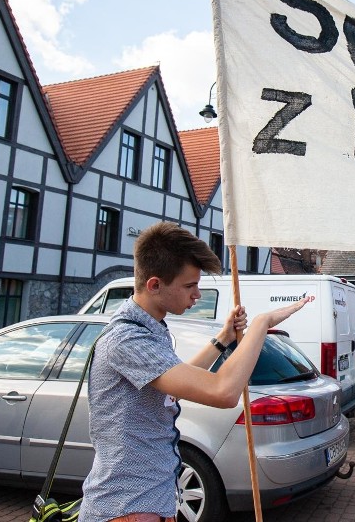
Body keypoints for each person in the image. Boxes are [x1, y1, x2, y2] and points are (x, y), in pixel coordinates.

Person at [79, 222, 314, 522]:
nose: (197, 295)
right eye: (190, 286)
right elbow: (223, 391)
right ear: (154, 285)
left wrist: (224, 339)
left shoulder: (149, 330)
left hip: (148, 503)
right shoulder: (127, 340)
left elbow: (177, 380)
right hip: (128, 509)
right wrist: (261, 324)